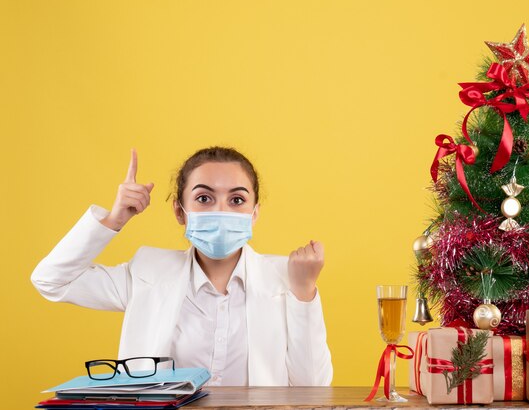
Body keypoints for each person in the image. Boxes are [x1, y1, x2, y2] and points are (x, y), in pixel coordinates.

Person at [31, 147, 333, 386]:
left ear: (254, 214)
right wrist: (114, 220)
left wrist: (304, 292)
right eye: (204, 198)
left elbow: (313, 386)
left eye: (237, 200)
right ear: (180, 211)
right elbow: (51, 281)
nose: (220, 211)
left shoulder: (287, 278)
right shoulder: (146, 272)